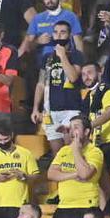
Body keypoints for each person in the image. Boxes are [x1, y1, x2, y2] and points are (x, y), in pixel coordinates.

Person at [32, 21, 84, 154]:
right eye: (55, 32)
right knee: (58, 155)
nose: (59, 35)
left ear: (69, 34)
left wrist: (62, 56)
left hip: (71, 110)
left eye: (63, 32)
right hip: (51, 111)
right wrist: (35, 108)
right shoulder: (47, 58)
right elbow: (41, 83)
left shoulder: (76, 55)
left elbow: (73, 77)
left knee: (72, 152)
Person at [45, 115, 104, 218]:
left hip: (86, 207)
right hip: (63, 207)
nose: (72, 132)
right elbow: (51, 174)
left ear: (87, 131)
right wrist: (74, 174)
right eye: (70, 128)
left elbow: (85, 174)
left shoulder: (95, 152)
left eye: (76, 127)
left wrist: (76, 150)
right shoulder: (64, 150)